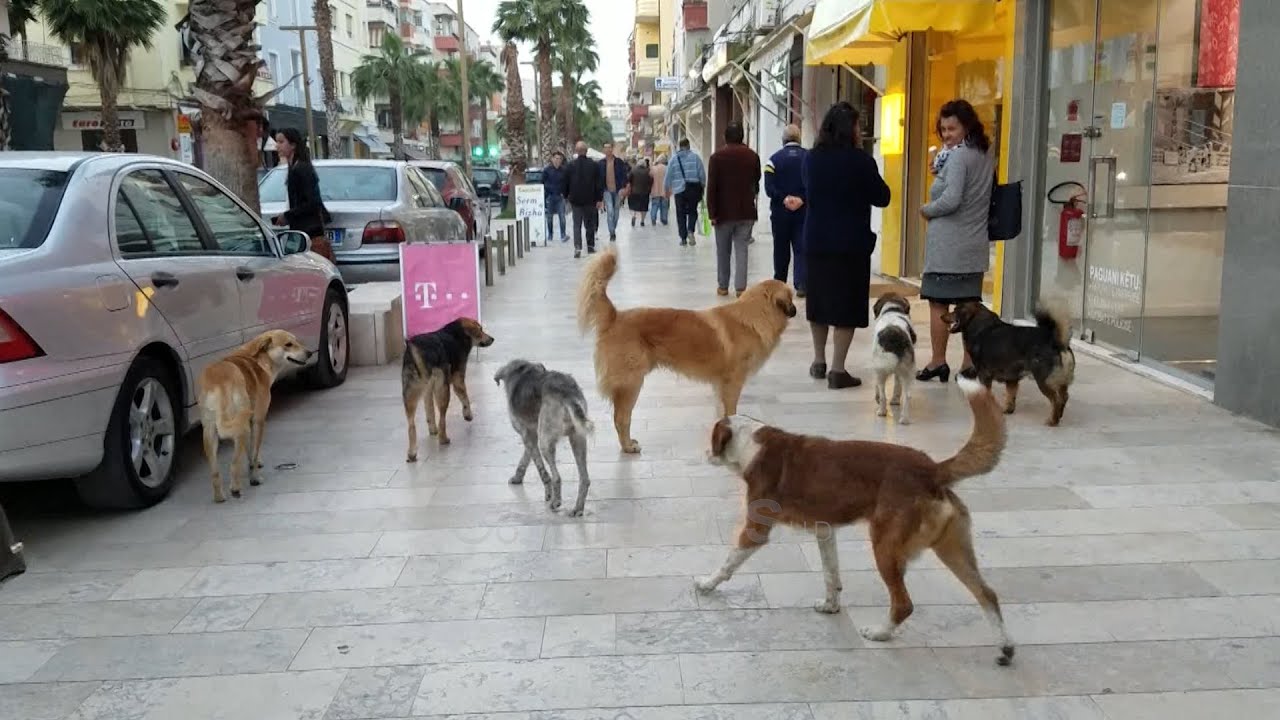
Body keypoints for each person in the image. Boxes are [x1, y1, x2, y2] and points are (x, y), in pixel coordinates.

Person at [802, 102, 891, 389]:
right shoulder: (861, 161)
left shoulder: (812, 159)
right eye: (857, 126)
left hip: (816, 241)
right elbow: (882, 196)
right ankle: (838, 370)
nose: (860, 130)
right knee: (845, 306)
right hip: (850, 245)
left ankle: (819, 361)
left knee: (818, 302)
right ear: (849, 129)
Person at [916, 99, 996, 383]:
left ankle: (939, 361)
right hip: (974, 244)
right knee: (969, 307)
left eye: (952, 128)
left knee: (939, 305)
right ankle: (969, 364)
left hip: (949, 247)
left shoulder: (959, 158)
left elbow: (952, 199)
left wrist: (926, 209)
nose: (947, 134)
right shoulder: (983, 154)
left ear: (967, 126)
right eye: (943, 129)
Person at [706, 122, 761, 297]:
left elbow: (712, 187)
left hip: (723, 213)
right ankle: (741, 288)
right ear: (742, 136)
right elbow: (756, 180)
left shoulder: (716, 157)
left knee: (723, 250)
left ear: (725, 137)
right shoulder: (752, 156)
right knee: (742, 249)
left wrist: (712, 213)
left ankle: (723, 286)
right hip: (746, 211)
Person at [269, 127, 334, 263]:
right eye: (277, 142)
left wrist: (287, 215)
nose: (277, 146)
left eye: (281, 142)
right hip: (299, 229)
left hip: (308, 230)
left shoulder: (302, 169)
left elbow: (311, 202)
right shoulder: (293, 167)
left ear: (293, 145)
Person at [764, 124, 808, 297]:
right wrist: (801, 199)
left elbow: (769, 188)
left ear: (783, 140)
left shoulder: (773, 160)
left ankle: (780, 283)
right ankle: (802, 284)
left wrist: (784, 198)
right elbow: (814, 184)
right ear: (799, 139)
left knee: (780, 248)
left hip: (780, 213)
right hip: (803, 213)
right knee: (801, 247)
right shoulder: (809, 157)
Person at [564, 140, 605, 258]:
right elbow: (599, 183)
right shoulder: (594, 165)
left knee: (576, 225)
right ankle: (590, 246)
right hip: (590, 199)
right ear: (586, 151)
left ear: (576, 151)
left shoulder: (570, 166)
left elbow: (566, 183)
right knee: (589, 224)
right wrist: (599, 198)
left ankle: (577, 247)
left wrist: (567, 196)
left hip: (575, 200)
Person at [664, 137, 706, 247]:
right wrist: (702, 186)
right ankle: (691, 230)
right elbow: (702, 174)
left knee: (680, 214)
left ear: (679, 146)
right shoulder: (696, 158)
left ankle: (683, 238)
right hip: (693, 188)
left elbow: (668, 176)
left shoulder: (674, 159)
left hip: (679, 190)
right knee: (692, 211)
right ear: (688, 146)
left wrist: (666, 190)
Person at [598, 142, 631, 241]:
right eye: (605, 148)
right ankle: (612, 232)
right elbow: (598, 178)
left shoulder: (619, 162)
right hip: (606, 190)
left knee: (616, 211)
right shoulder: (600, 163)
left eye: (609, 148)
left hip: (618, 190)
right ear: (604, 150)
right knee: (610, 211)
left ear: (612, 149)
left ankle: (613, 228)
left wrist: (625, 187)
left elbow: (624, 175)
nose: (607, 150)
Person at [542, 151, 569, 244]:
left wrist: (565, 194)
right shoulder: (547, 170)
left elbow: (567, 184)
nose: (558, 160)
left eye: (559, 159)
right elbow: (543, 182)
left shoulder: (564, 170)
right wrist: (547, 193)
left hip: (560, 197)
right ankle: (550, 234)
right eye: (556, 158)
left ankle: (563, 235)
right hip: (550, 197)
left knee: (562, 217)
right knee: (549, 217)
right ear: (552, 159)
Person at [627, 159, 653, 227]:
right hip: (645, 192)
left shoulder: (633, 170)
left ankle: (634, 216)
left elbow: (628, 179)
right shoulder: (648, 171)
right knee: (644, 207)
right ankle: (642, 221)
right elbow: (651, 181)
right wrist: (649, 189)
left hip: (634, 192)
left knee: (634, 206)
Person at [648, 155, 670, 226]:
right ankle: (664, 219)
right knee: (664, 206)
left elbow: (650, 177)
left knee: (654, 205)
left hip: (655, 190)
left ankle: (653, 219)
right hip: (664, 190)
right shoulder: (667, 168)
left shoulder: (653, 168)